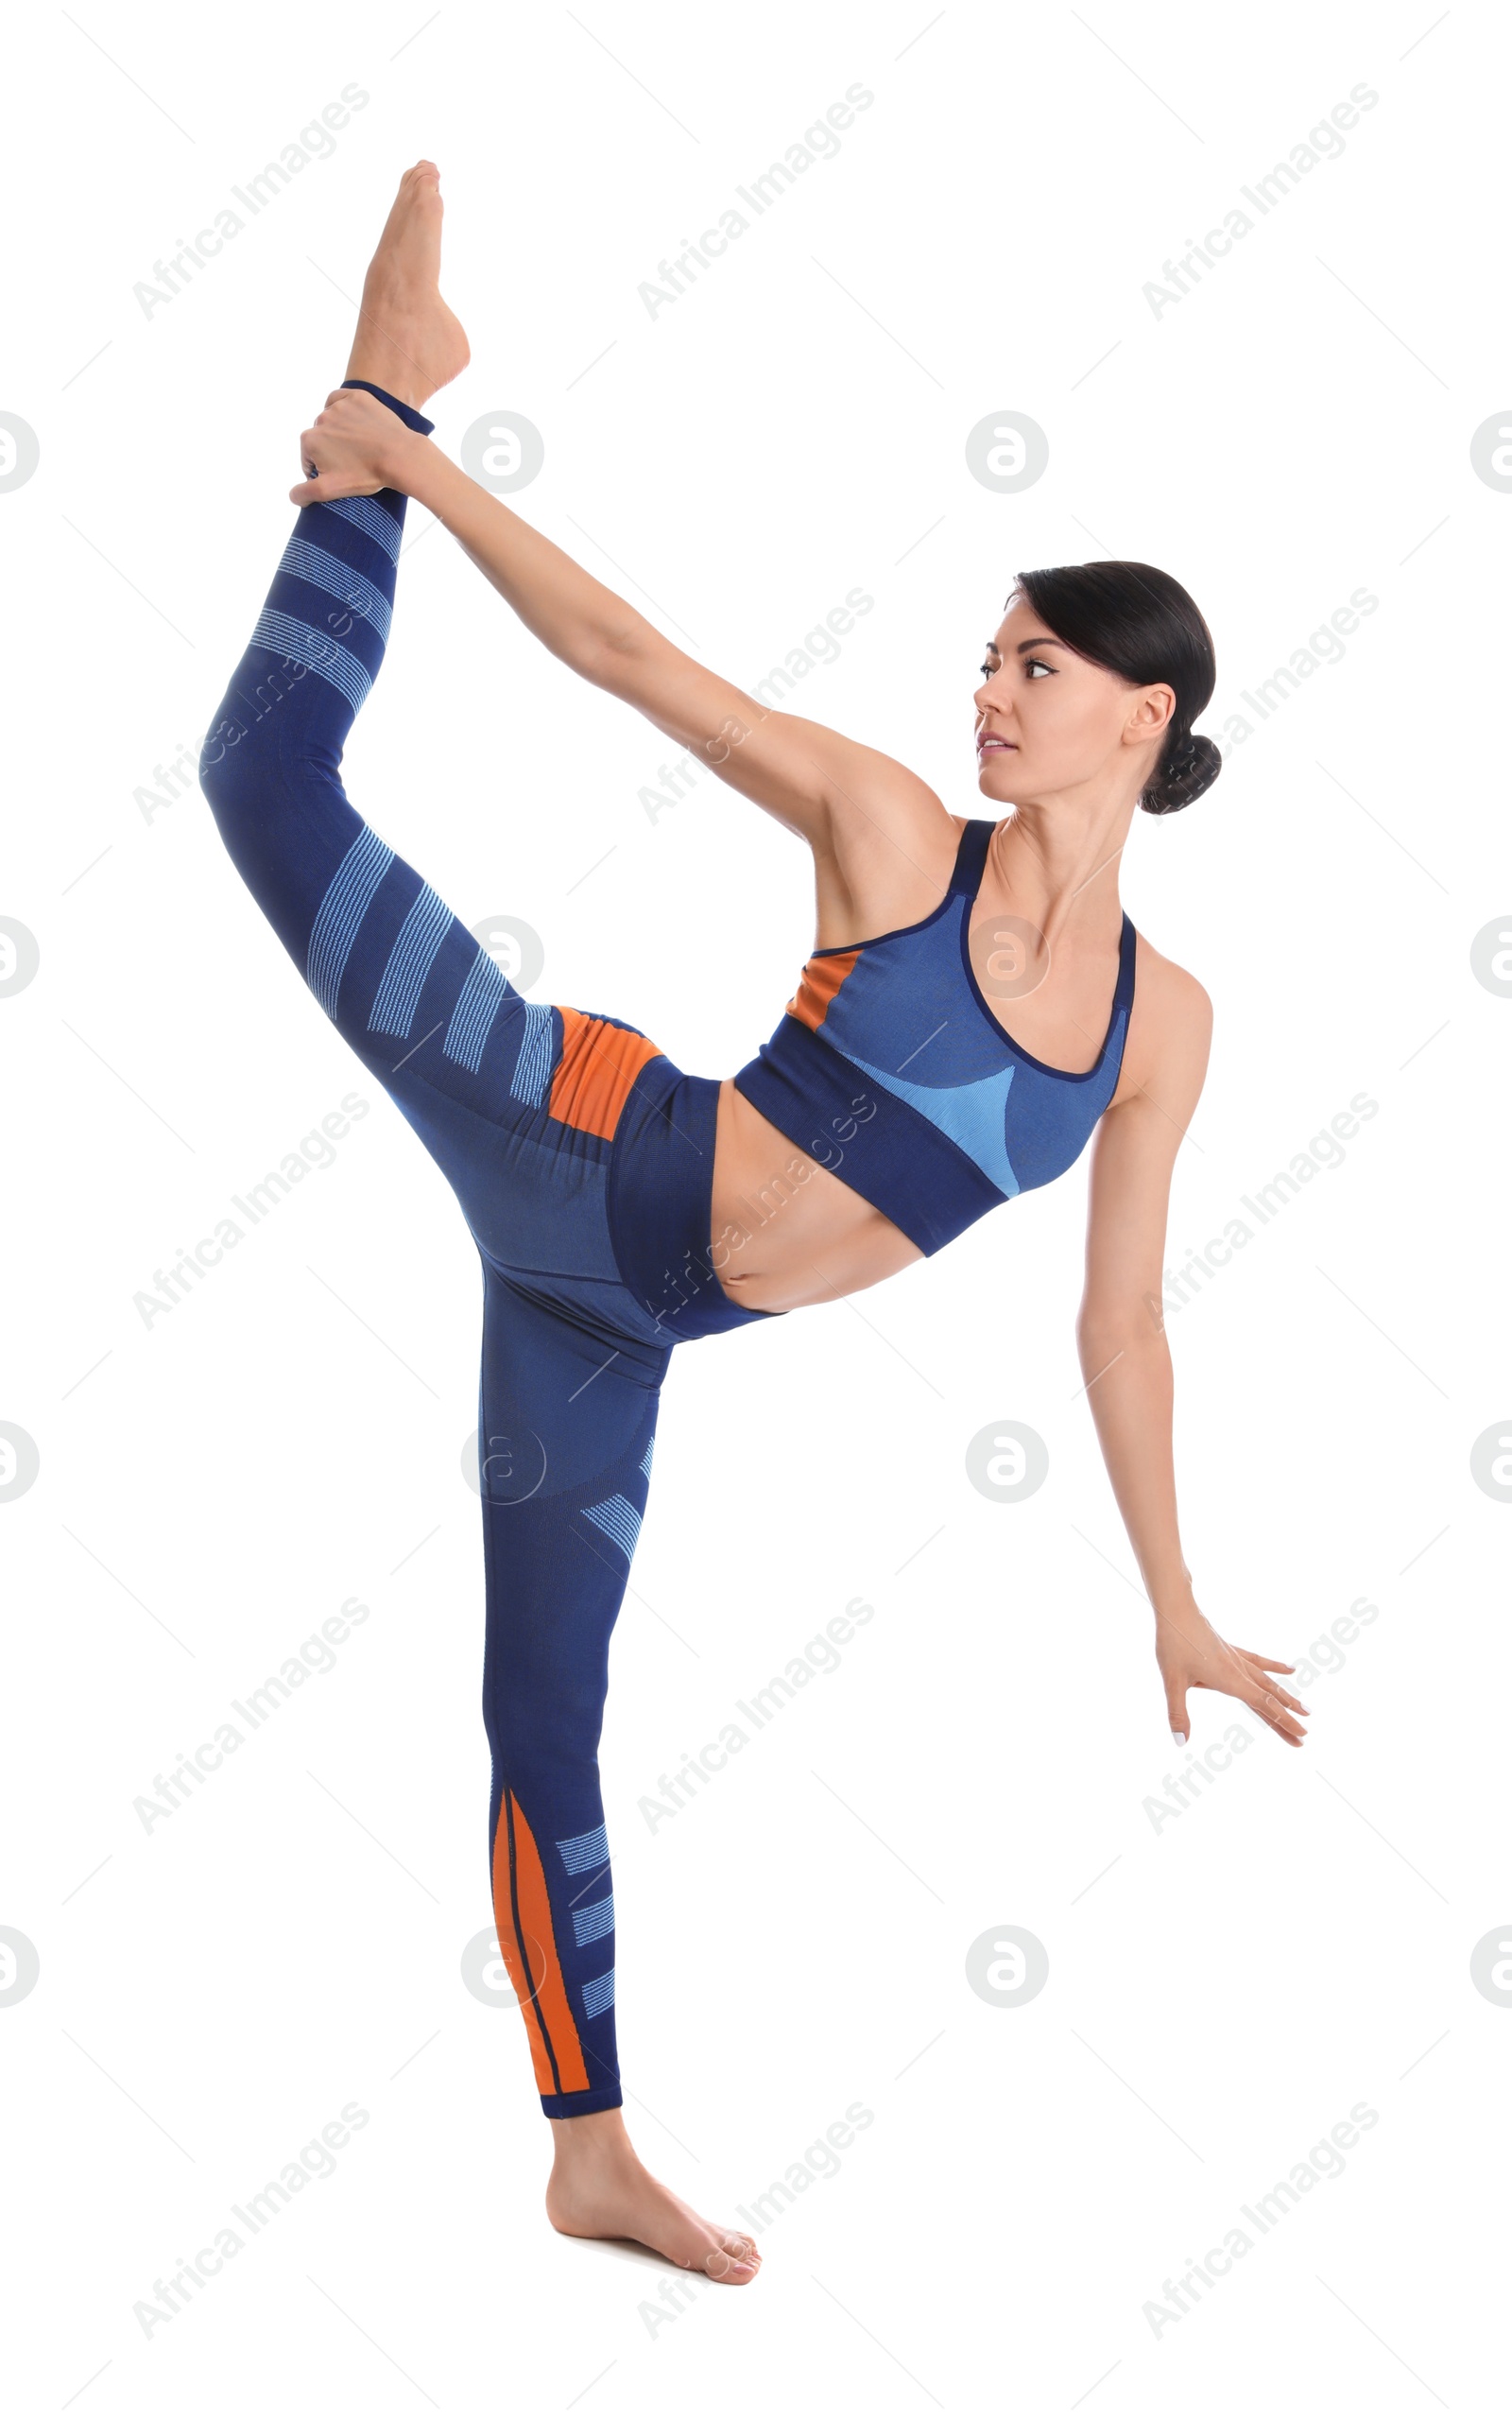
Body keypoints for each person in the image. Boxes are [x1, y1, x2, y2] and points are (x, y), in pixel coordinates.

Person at [198, 163, 1306, 2287]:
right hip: (569, 1139)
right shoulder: (893, 835)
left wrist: (1170, 1591)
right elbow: (626, 657)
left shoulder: (1158, 1027)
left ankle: (585, 2147)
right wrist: (401, 462)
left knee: (542, 1715)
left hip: (618, 1328)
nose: (987, 691)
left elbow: (1125, 1322)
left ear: (1138, 715)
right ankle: (374, 383)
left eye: (1035, 663)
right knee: (267, 789)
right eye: (983, 654)